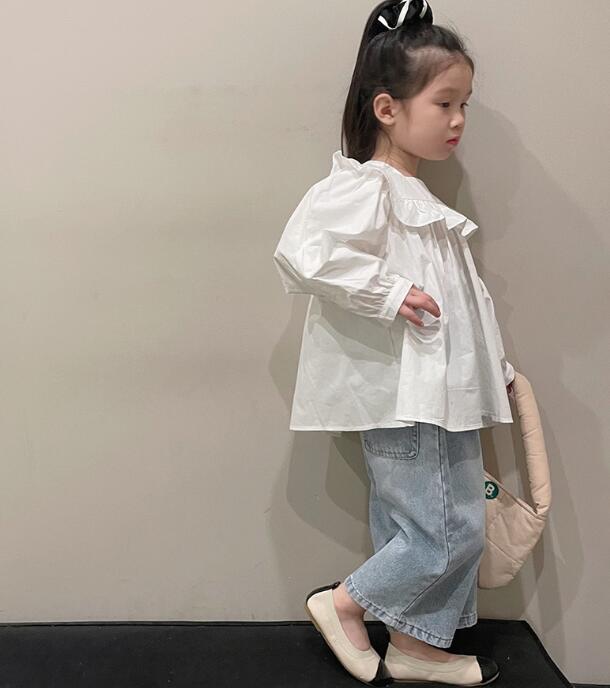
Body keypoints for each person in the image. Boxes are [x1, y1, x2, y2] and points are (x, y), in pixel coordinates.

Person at [272, 1, 514, 685]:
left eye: (464, 104)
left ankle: (415, 648)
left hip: (443, 393)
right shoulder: (369, 187)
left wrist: (492, 364)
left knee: (428, 524)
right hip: (409, 395)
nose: (458, 120)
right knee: (446, 531)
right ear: (387, 109)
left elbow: (462, 301)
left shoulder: (417, 198)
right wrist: (386, 291)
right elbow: (303, 252)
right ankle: (345, 603)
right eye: (445, 103)